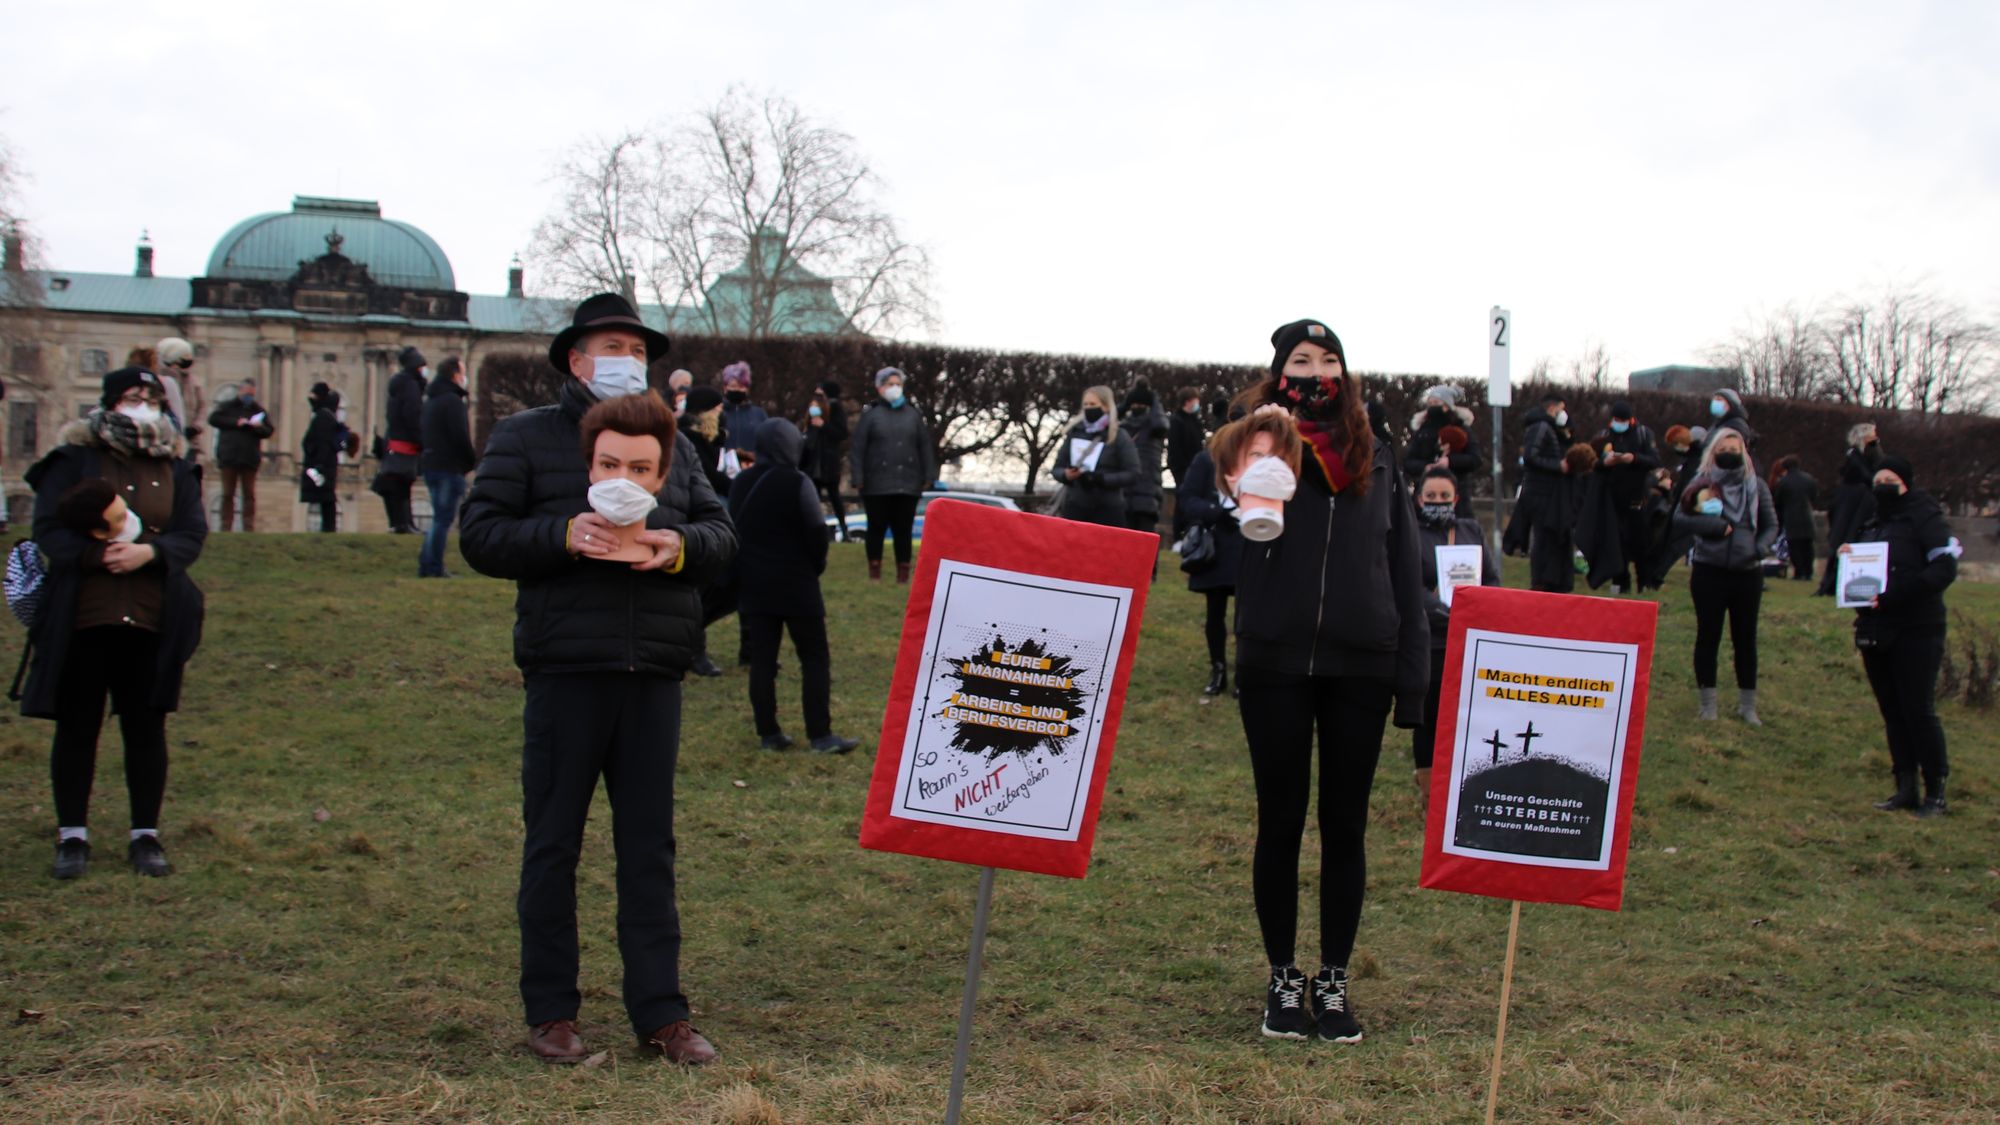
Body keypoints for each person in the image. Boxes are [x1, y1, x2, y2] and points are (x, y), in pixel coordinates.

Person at [458, 292, 735, 1067]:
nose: (625, 358)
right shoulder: (525, 438)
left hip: (652, 670)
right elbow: (479, 534)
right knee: (552, 843)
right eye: (610, 345)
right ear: (576, 360)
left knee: (649, 848)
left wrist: (674, 545)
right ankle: (551, 1010)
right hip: (565, 669)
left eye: (636, 347)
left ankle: (663, 1012)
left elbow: (720, 534)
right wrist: (560, 534)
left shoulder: (672, 447)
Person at [1231, 319, 1428, 1045]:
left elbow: (1404, 563)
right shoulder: (1252, 439)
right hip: (1275, 657)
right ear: (1278, 369)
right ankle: (1284, 976)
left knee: (1345, 826)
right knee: (1280, 822)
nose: (1316, 370)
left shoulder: (1378, 451)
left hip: (1361, 661)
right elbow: (1205, 516)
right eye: (1300, 359)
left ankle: (1334, 978)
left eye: (1329, 357)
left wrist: (1413, 678)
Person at [22, 366, 207, 880]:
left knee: (146, 728)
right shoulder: (73, 461)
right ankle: (72, 835)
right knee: (77, 726)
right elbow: (47, 530)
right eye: (132, 396)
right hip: (83, 615)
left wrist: (149, 553)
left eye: (151, 397)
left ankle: (144, 834)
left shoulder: (176, 467)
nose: (143, 404)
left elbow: (191, 533)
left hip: (151, 617)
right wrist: (96, 558)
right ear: (108, 403)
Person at [729, 418, 861, 754]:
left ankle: (768, 733)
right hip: (797, 584)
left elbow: (733, 531)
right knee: (814, 658)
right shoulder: (797, 482)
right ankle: (820, 734)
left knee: (762, 661)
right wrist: (814, 568)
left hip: (754, 585)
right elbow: (817, 532)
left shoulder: (741, 482)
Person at [1846, 455, 1957, 817]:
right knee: (1892, 710)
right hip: (1876, 628)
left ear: (1906, 482)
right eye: (1878, 478)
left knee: (1918, 710)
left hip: (1917, 627)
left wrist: (1900, 593)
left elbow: (1943, 568)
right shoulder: (1873, 520)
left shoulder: (1925, 517)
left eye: (1890, 478)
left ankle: (1935, 791)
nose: (1882, 484)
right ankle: (1905, 786)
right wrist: (1848, 562)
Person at [1672, 429, 1776, 725]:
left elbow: (1770, 524)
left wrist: (1759, 549)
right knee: (1708, 636)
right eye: (1724, 447)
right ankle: (1708, 705)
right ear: (1713, 452)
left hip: (1747, 573)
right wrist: (1713, 528)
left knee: (1746, 639)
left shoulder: (1756, 486)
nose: (1730, 452)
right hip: (1709, 570)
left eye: (1735, 447)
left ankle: (1748, 705)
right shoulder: (1701, 483)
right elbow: (1680, 517)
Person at [1412, 468, 1497, 811]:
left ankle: (1468, 786)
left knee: (1467, 715)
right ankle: (1431, 792)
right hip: (1429, 640)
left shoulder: (1470, 530)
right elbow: (1406, 584)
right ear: (1419, 499)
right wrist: (1439, 609)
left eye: (1444, 497)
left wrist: (1477, 604)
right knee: (1429, 716)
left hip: (1469, 639)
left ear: (1456, 499)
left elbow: (1491, 578)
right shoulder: (1411, 535)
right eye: (1430, 497)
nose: (1437, 502)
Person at [848, 367, 936, 583]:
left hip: (908, 483)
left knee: (903, 530)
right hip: (876, 484)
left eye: (898, 384)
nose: (895, 388)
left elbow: (924, 446)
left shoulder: (913, 415)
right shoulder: (871, 416)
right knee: (876, 528)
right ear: (880, 387)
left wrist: (928, 475)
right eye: (890, 384)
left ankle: (903, 573)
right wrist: (858, 478)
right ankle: (875, 572)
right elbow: (857, 448)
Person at [1175, 444, 1243, 696]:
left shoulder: (1260, 459)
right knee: (1215, 611)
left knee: (1245, 616)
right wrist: (1215, 512)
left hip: (1249, 543)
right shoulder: (1206, 459)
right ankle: (1218, 670)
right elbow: (1187, 498)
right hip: (1216, 546)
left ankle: (1243, 676)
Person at [1588, 401, 1662, 593]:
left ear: (1631, 420)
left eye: (1622, 420)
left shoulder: (1644, 434)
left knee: (1640, 541)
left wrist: (1634, 459)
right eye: (1615, 420)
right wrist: (1605, 463)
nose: (1617, 423)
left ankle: (1643, 581)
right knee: (1614, 541)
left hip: (1637, 496)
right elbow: (1591, 461)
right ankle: (1620, 581)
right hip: (1610, 497)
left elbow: (1654, 460)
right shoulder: (1603, 436)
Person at [418, 357, 477, 578]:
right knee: (443, 519)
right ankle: (433, 567)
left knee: (438, 518)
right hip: (448, 467)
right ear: (455, 375)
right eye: (463, 372)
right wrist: (470, 461)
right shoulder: (452, 401)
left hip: (432, 464)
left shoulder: (432, 400)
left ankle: (427, 564)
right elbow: (460, 436)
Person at [1051, 385, 1140, 529]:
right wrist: (1066, 475)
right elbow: (1057, 468)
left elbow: (1133, 473)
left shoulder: (1119, 436)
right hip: (1076, 506)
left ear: (1105, 406)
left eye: (1093, 404)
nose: (1088, 408)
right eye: (1085, 404)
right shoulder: (1074, 432)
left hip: (1108, 509)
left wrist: (1102, 479)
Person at [1518, 392, 1575, 592]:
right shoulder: (1541, 427)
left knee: (1552, 538)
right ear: (1554, 407)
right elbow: (1531, 457)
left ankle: (1553, 580)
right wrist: (1557, 466)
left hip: (1548, 492)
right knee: (1543, 539)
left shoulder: (1549, 428)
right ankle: (1542, 581)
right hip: (1542, 493)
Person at [1817, 423, 1881, 597]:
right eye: (1873, 434)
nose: (1876, 438)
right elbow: (1867, 475)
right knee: (1843, 538)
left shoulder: (1868, 454)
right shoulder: (1854, 455)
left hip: (1858, 501)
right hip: (1851, 503)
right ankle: (1831, 582)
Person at [1403, 385, 1481, 515]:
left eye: (1436, 403)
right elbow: (1408, 461)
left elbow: (1475, 459)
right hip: (1425, 492)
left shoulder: (1462, 430)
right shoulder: (1422, 431)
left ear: (1447, 406)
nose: (1433, 407)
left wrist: (1450, 461)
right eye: (1430, 403)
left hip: (1457, 494)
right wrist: (1425, 467)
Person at [207, 378, 272, 531]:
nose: (249, 396)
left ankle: (248, 526)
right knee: (228, 493)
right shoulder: (227, 407)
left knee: (249, 494)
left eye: (252, 394)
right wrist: (236, 422)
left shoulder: (258, 411)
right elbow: (214, 419)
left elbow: (268, 430)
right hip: (229, 456)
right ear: (241, 391)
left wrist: (256, 427)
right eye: (247, 393)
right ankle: (226, 526)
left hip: (249, 458)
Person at [376, 347, 425, 534]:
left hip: (396, 441)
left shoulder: (399, 384)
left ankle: (401, 523)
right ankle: (405, 524)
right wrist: (421, 439)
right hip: (407, 442)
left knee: (399, 484)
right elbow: (412, 415)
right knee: (403, 485)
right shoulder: (410, 385)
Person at [1118, 382, 1170, 543]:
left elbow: (1161, 424)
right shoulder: (1123, 427)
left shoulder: (1153, 428)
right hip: (1131, 490)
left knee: (1144, 543)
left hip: (1146, 490)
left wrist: (1152, 401)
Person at [800, 381, 850, 542]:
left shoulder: (834, 409)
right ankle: (811, 530)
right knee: (813, 497)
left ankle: (843, 530)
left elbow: (841, 432)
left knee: (834, 497)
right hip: (815, 461)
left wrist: (823, 426)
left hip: (827, 462)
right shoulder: (815, 410)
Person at [299, 383, 344, 532]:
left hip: (322, 463)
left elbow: (322, 442)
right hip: (325, 462)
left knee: (326, 495)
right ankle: (328, 527)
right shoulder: (327, 415)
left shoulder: (323, 416)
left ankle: (328, 527)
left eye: (313, 396)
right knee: (325, 494)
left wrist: (319, 463)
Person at [153, 337, 204, 465]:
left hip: (189, 438)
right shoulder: (157, 380)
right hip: (164, 437)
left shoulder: (193, 381)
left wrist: (196, 427)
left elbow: (201, 406)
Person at [1167, 385, 1207, 541]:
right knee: (1182, 502)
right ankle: (1178, 536)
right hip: (1182, 468)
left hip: (1194, 467)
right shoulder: (1177, 421)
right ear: (1188, 401)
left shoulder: (1195, 421)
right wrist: (1179, 469)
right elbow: (1175, 448)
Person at [1770, 454, 1818, 581]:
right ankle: (1809, 572)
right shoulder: (1809, 479)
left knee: (1795, 547)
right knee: (1808, 545)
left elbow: (1778, 501)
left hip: (1791, 518)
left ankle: (1799, 572)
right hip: (1807, 516)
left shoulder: (1783, 482)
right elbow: (1814, 495)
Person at [718, 362, 767, 473]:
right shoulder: (718, 413)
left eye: (741, 387)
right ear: (725, 388)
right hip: (724, 470)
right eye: (733, 386)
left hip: (752, 468)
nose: (737, 390)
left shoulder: (758, 414)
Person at [1704, 387, 1756, 452]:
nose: (1715, 403)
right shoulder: (1718, 423)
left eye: (1719, 400)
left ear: (1731, 404)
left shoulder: (1736, 425)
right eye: (1714, 400)